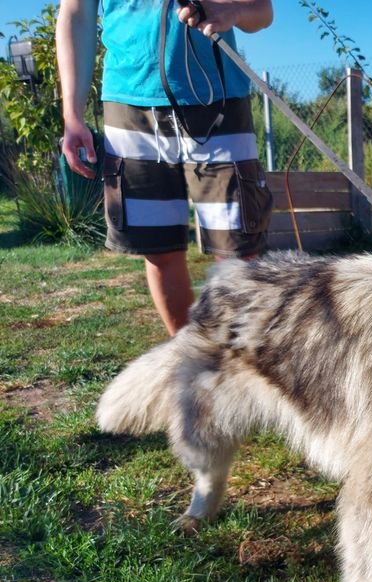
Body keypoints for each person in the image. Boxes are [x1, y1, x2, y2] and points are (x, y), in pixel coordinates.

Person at [57, 0, 274, 336]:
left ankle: (239, 369)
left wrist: (231, 11)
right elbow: (75, 15)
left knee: (239, 252)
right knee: (158, 251)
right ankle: (188, 363)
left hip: (218, 99)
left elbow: (261, 10)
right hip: (129, 103)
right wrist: (71, 115)